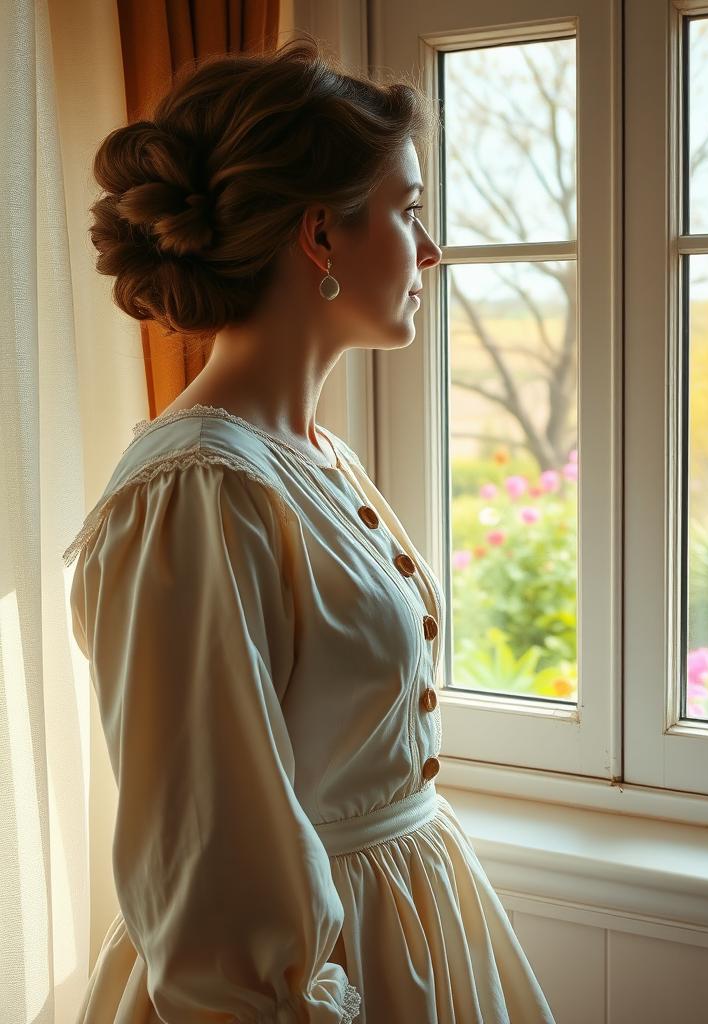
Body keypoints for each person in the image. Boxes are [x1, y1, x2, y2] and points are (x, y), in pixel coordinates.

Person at [63, 32, 556, 1024]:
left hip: (403, 935)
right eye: (409, 211)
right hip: (305, 977)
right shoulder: (198, 494)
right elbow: (207, 854)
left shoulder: (312, 455)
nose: (431, 249)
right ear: (319, 237)